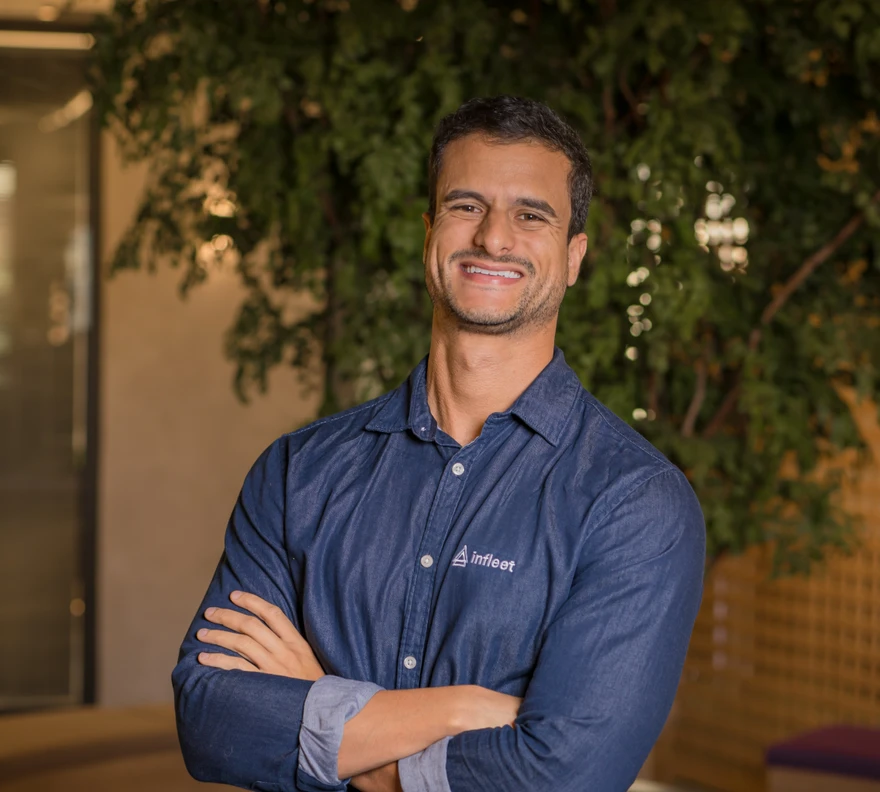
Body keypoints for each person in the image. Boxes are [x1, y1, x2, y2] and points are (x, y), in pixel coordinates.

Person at [172, 95, 706, 792]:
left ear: (575, 256)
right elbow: (211, 720)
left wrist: (343, 730)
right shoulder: (298, 472)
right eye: (466, 206)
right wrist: (461, 711)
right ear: (430, 232)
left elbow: (561, 776)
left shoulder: (634, 504)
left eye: (531, 214)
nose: (493, 239)